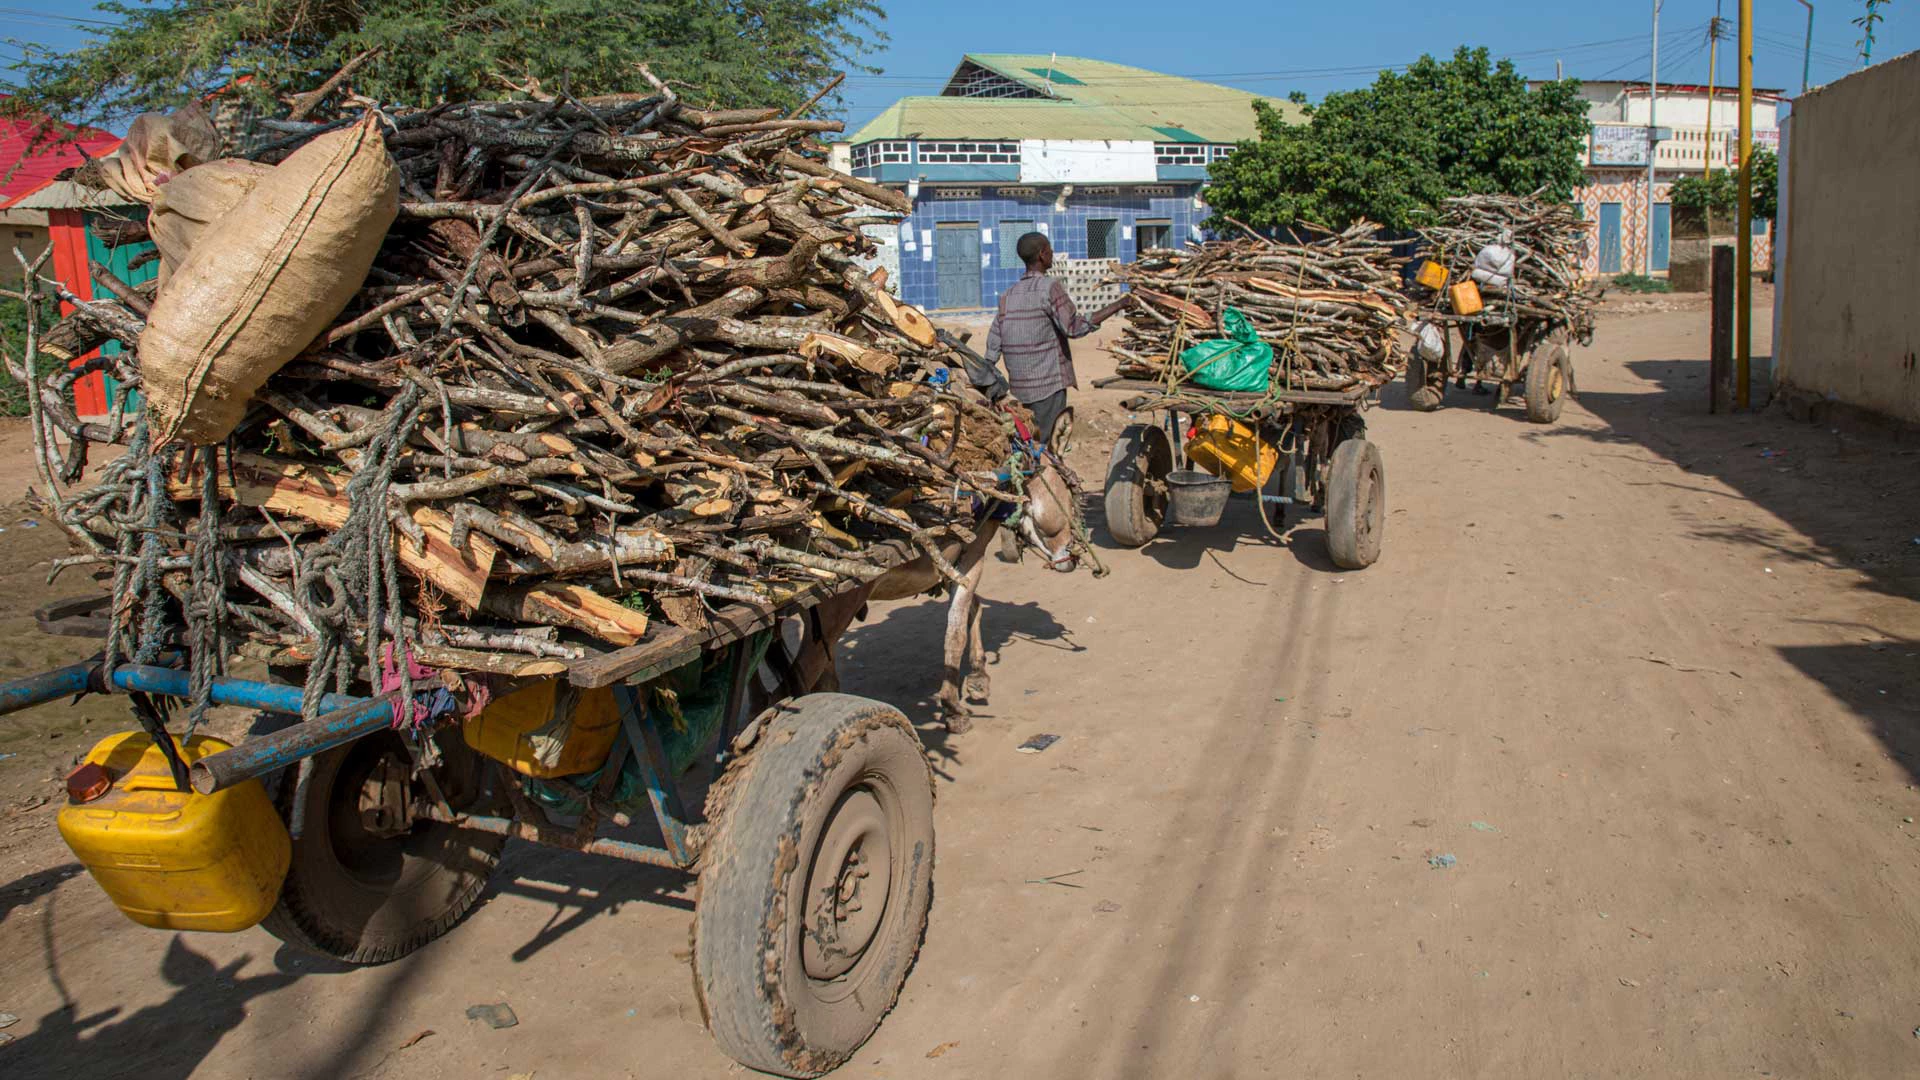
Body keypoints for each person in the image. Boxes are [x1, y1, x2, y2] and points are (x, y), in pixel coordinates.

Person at [974, 231, 1132, 448]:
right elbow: (1074, 328)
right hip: (1048, 388)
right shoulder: (1050, 287)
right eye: (1050, 250)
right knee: (1047, 449)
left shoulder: (1008, 295)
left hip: (1019, 389)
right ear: (1042, 254)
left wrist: (984, 379)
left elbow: (993, 345)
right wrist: (1119, 305)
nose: (1053, 254)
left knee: (1026, 445)